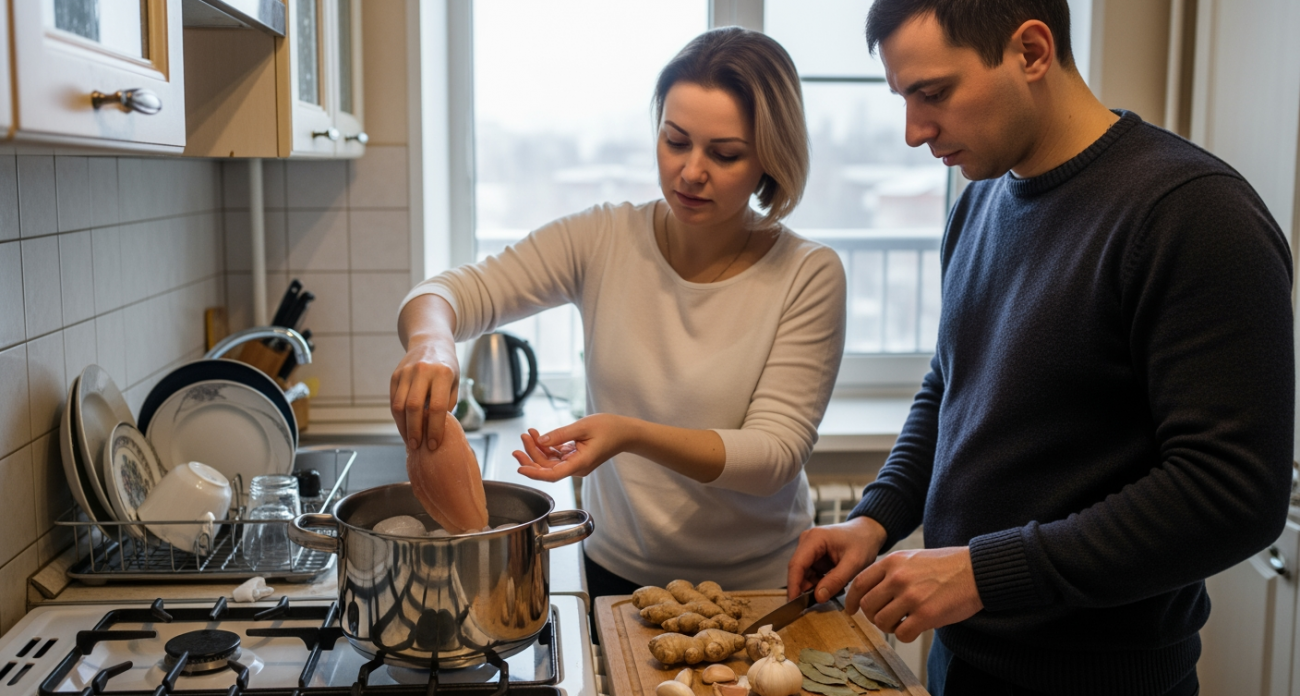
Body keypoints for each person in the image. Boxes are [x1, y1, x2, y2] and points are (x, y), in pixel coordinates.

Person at [786, 1, 1294, 694]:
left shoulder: (1194, 214)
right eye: (903, 98)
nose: (913, 132)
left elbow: (1232, 494)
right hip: (961, 663)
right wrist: (877, 518)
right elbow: (954, 382)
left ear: (1030, 51)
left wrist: (981, 573)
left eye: (932, 93)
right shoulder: (979, 201)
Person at [391, 27, 847, 597]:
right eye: (676, 141)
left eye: (725, 153)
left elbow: (773, 456)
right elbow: (449, 293)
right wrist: (432, 343)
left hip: (759, 588)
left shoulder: (809, 273)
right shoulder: (603, 238)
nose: (691, 171)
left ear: (770, 160)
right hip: (616, 578)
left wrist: (629, 433)